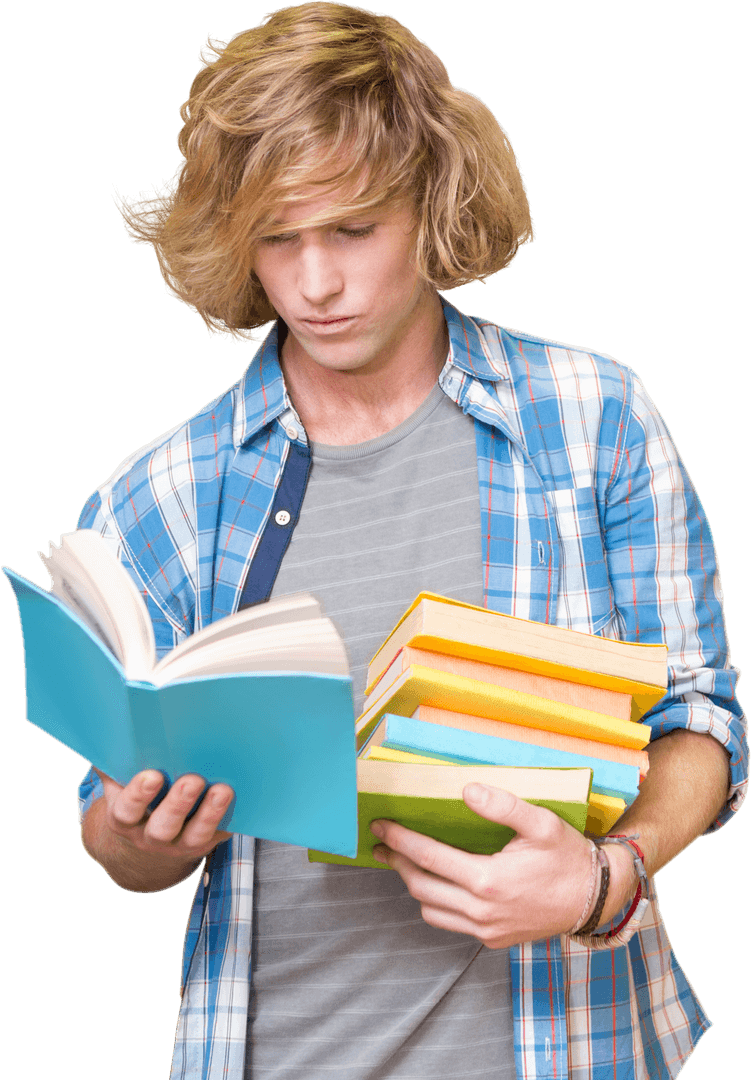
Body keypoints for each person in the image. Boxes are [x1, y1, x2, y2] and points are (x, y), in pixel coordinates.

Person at [75, 4, 747, 1078]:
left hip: (569, 1048)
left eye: (351, 230)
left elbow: (702, 720)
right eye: (278, 238)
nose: (314, 285)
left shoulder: (592, 416)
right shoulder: (161, 492)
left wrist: (602, 878)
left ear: (432, 204)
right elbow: (113, 839)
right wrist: (134, 833)